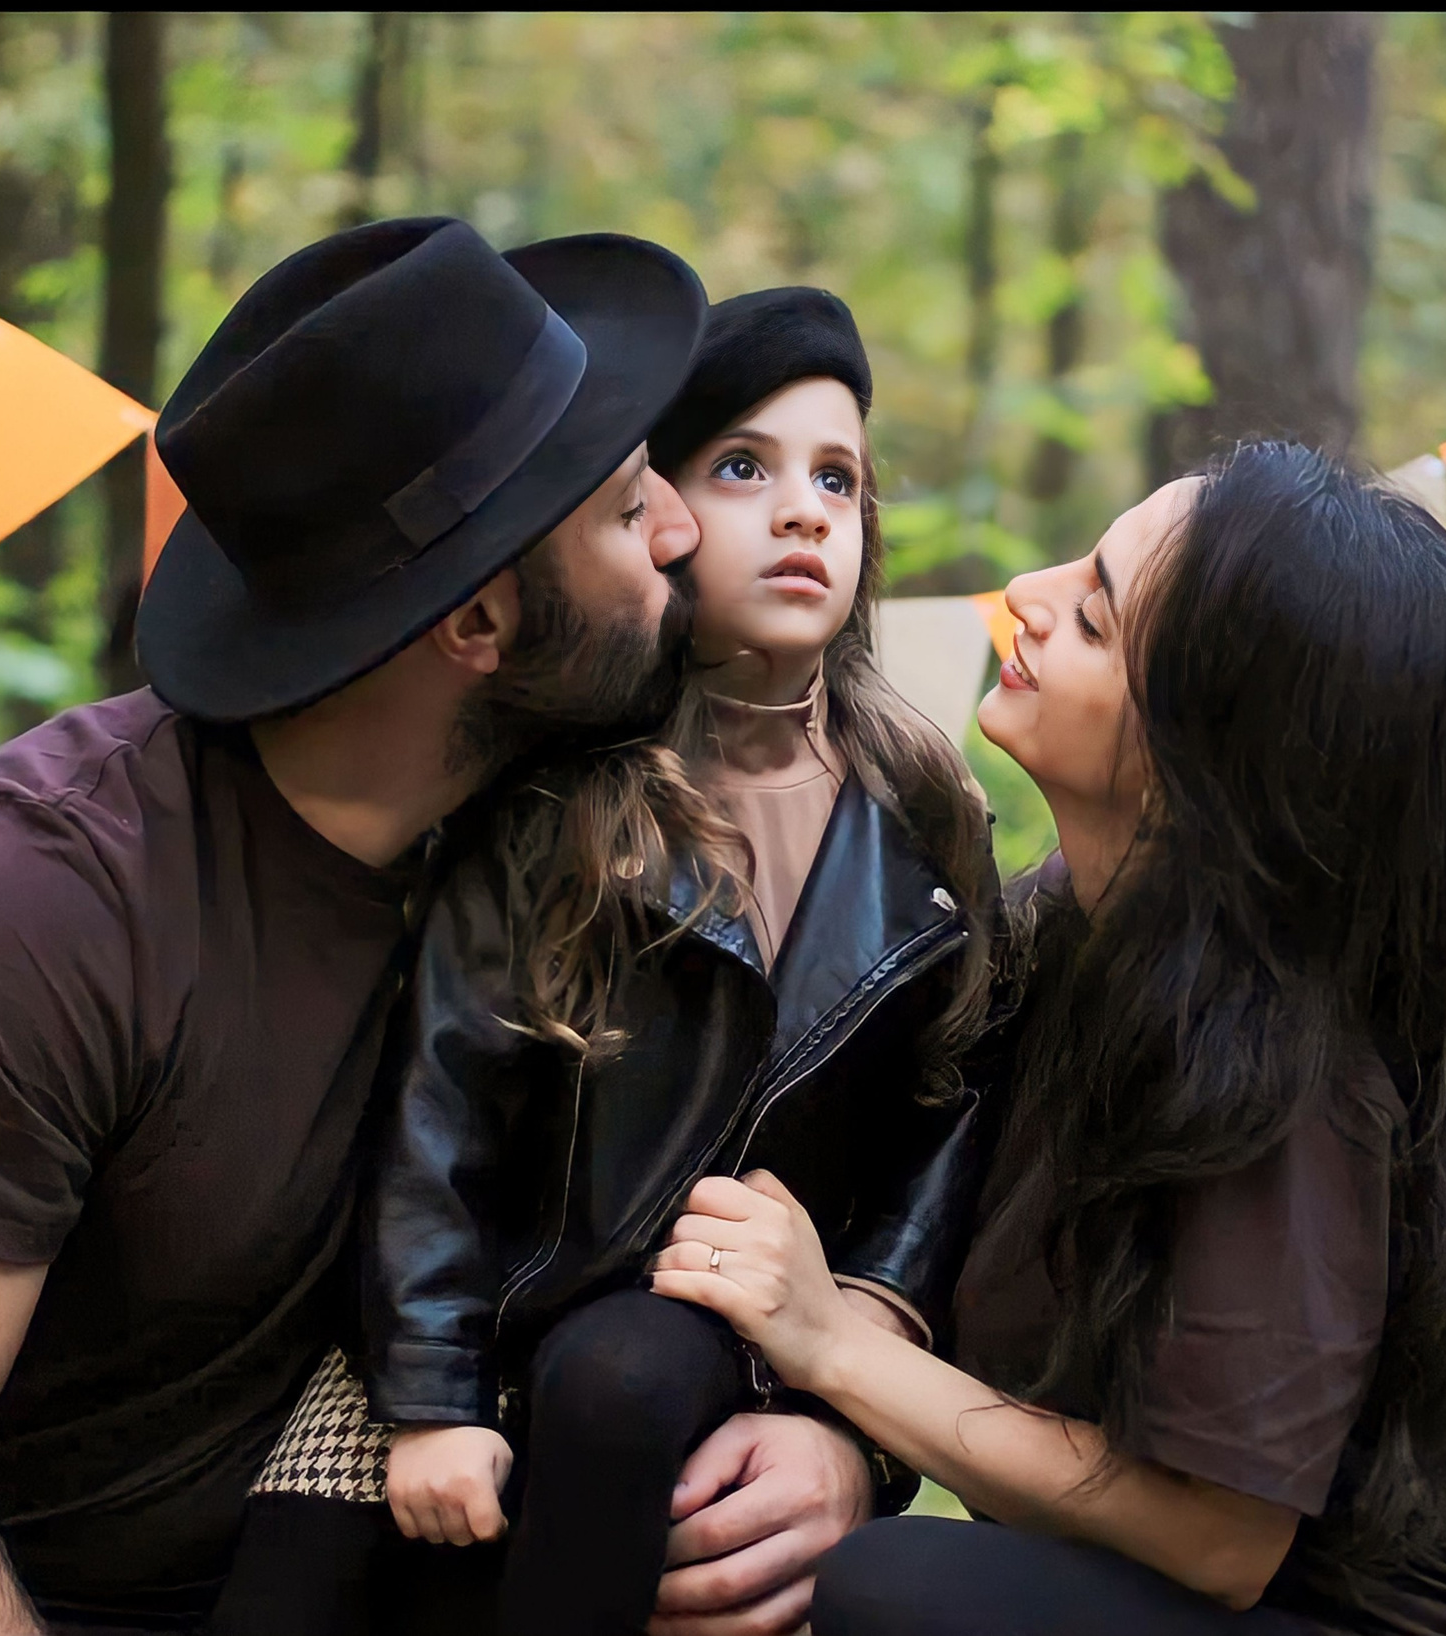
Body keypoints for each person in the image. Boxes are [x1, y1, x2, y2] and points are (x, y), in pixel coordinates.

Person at [0, 221, 879, 1636]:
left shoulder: (582, 838)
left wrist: (845, 1444)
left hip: (313, 1564)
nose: (680, 529)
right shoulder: (32, 904)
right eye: (621, 511)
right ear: (478, 623)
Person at [652, 441, 1446, 1635]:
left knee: (898, 1593)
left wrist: (835, 1351)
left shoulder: (1288, 1086)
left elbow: (1219, 1536)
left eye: (1091, 616)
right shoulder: (1060, 930)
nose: (1026, 599)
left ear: (1205, 763)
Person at [207, 287, 1000, 1636]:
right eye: (742, 468)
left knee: (621, 1382)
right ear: (663, 522)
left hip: (721, 1323)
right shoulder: (564, 794)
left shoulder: (924, 807)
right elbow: (438, 1108)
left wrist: (871, 1319)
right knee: (295, 1572)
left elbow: (952, 1092)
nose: (804, 509)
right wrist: (430, 1397)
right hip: (482, 1304)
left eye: (839, 480)